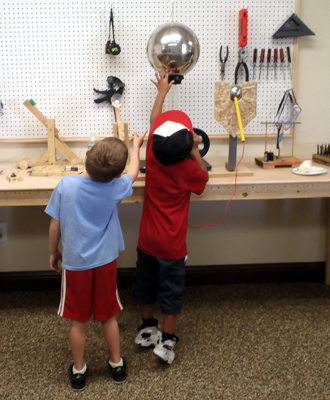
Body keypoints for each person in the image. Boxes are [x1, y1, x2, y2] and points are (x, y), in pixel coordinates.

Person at [45, 131, 146, 391]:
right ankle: (116, 364)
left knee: (77, 320)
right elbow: (134, 171)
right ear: (116, 174)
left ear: (88, 155)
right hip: (105, 261)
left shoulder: (66, 185)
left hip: (76, 263)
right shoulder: (117, 186)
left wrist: (53, 252)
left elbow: (55, 223)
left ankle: (79, 371)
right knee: (108, 316)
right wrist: (137, 146)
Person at [133, 70, 209, 364]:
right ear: (186, 146)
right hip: (173, 248)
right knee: (171, 290)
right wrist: (195, 150)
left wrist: (161, 92)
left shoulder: (152, 156)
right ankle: (167, 341)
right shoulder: (189, 169)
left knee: (145, 284)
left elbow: (155, 122)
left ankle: (146, 328)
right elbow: (202, 180)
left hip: (147, 241)